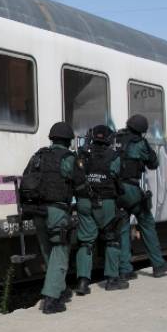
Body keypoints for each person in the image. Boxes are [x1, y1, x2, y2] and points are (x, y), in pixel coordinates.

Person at [21, 122, 76, 314]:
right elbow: (81, 184)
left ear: (52, 138)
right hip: (57, 211)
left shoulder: (38, 156)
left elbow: (26, 178)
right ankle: (51, 300)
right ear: (68, 140)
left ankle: (60, 289)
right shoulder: (68, 158)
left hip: (37, 210)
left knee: (48, 251)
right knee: (60, 251)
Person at [116, 114, 167, 279]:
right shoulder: (140, 143)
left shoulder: (115, 139)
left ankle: (125, 270)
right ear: (141, 130)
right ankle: (158, 265)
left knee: (123, 228)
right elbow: (153, 163)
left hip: (115, 191)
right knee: (147, 223)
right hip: (131, 189)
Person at [74, 125, 129, 292]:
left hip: (84, 202)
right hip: (106, 203)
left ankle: (82, 283)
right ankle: (112, 280)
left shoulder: (82, 154)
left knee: (86, 242)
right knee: (112, 239)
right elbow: (117, 177)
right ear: (109, 139)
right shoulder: (114, 156)